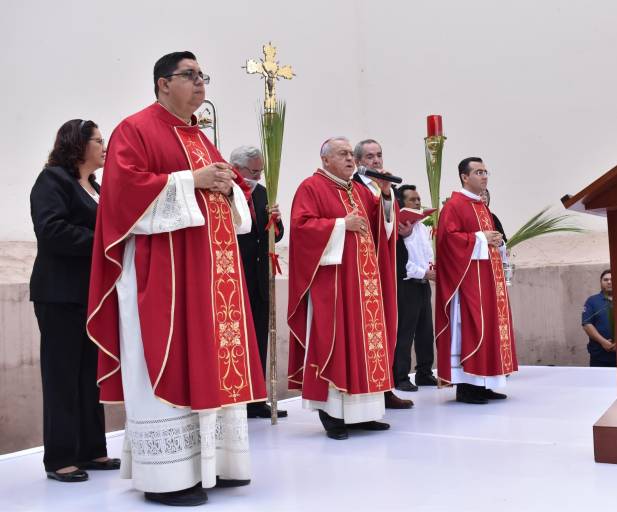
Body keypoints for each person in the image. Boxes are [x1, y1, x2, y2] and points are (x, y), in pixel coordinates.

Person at [87, 51, 266, 507]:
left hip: (210, 279)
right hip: (164, 278)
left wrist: (229, 187)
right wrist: (192, 181)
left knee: (210, 363)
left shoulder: (201, 138)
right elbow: (124, 193)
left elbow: (227, 195)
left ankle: (219, 463)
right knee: (165, 361)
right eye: (190, 75)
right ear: (163, 83)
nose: (200, 83)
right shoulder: (137, 128)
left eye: (203, 75)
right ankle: (168, 477)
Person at [287, 137, 397, 440]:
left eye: (351, 154)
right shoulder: (311, 187)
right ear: (326, 160)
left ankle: (366, 414)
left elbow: (379, 226)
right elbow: (301, 227)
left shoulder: (361, 190)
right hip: (334, 287)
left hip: (365, 287)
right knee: (335, 345)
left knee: (364, 346)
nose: (351, 159)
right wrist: (338, 225)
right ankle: (333, 416)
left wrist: (386, 196)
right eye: (343, 154)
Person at [30, 119, 120, 482]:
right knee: (62, 375)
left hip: (92, 296)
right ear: (77, 144)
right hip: (60, 294)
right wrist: (100, 240)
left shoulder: (96, 187)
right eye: (98, 140)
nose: (104, 146)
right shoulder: (53, 180)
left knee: (89, 375)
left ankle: (92, 449)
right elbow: (51, 230)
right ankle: (60, 457)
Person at [435, 157, 518, 404]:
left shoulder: (481, 206)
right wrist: (481, 238)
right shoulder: (455, 205)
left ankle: (486, 383)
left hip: (489, 282)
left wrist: (497, 242)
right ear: (464, 177)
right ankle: (468, 387)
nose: (484, 176)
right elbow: (448, 241)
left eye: (485, 171)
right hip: (469, 283)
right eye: (478, 172)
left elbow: (488, 240)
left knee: (490, 328)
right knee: (471, 329)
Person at [353, 138, 413, 409]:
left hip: (383, 268)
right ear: (357, 162)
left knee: (388, 326)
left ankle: (386, 387)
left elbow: (388, 230)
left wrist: (387, 194)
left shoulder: (383, 189)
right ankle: (370, 389)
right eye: (369, 157)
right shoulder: (352, 187)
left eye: (379, 155)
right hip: (360, 270)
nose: (376, 161)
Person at [231, 145, 287, 419]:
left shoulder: (263, 192)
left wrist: (275, 221)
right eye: (253, 171)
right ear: (236, 168)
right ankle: (236, 400)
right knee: (237, 342)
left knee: (259, 340)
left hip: (260, 280)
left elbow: (275, 237)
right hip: (233, 278)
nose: (258, 176)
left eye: (260, 171)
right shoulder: (225, 191)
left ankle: (256, 400)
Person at [392, 184, 437, 391]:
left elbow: (425, 253)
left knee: (425, 330)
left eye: (419, 199)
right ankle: (400, 377)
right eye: (412, 199)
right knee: (405, 332)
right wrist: (424, 273)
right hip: (407, 285)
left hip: (423, 284)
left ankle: (424, 373)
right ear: (401, 203)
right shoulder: (399, 225)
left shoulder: (419, 224)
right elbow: (402, 261)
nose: (418, 202)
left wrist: (432, 270)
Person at [582, 270, 616, 367]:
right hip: (599, 355)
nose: (609, 282)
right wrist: (603, 342)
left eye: (612, 279)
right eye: (606, 280)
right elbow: (587, 324)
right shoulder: (592, 301)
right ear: (600, 282)